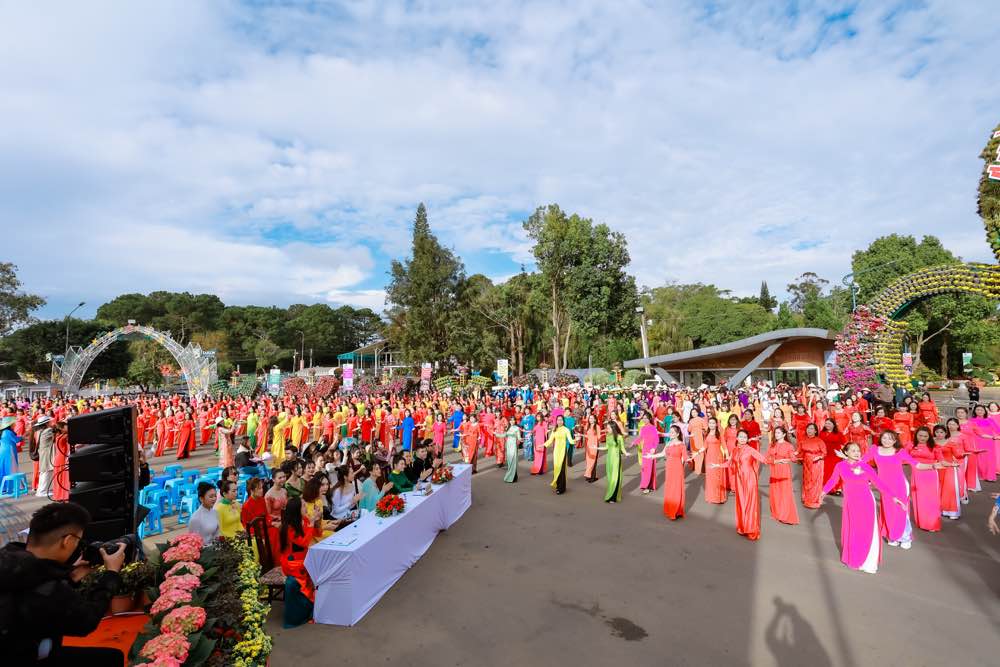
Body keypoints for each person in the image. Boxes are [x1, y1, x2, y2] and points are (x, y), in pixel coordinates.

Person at [0, 502, 126, 665]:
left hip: (16, 649)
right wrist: (111, 574)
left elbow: (31, 598)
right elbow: (85, 622)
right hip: (26, 656)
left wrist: (70, 577)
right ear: (67, 541)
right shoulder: (47, 588)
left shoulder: (9, 559)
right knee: (112, 658)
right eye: (78, 541)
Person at [821, 442, 903, 574]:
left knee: (866, 530)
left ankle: (868, 562)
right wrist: (823, 492)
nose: (857, 453)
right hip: (850, 503)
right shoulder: (840, 466)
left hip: (866, 503)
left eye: (858, 450)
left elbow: (879, 483)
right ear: (846, 452)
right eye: (853, 450)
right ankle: (855, 559)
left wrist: (893, 496)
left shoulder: (866, 467)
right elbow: (832, 480)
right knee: (854, 531)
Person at [711, 429, 769, 540]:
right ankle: (742, 527)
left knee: (750, 503)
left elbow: (763, 459)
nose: (742, 439)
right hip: (739, 479)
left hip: (749, 478)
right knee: (741, 503)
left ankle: (751, 529)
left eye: (744, 437)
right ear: (737, 438)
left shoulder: (750, 450)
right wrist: (717, 466)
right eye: (740, 436)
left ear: (747, 439)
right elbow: (729, 463)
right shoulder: (735, 450)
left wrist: (776, 460)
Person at [278, 498, 314, 628]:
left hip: (302, 557)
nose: (306, 508)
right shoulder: (288, 527)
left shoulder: (303, 520)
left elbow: (316, 533)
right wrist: (312, 524)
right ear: (296, 510)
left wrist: (314, 521)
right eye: (303, 506)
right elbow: (303, 542)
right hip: (292, 562)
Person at [646, 425, 689, 520]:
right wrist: (651, 456)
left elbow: (685, 458)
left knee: (676, 488)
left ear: (678, 434)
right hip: (669, 467)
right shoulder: (668, 443)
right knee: (670, 487)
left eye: (673, 432)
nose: (671, 434)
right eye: (670, 432)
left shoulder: (681, 444)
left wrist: (692, 457)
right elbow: (662, 453)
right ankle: (669, 508)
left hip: (677, 468)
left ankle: (676, 510)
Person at [765, 426, 799, 525]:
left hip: (784, 471)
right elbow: (766, 459)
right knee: (775, 492)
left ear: (784, 434)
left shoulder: (789, 445)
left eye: (779, 433)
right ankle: (777, 513)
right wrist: (776, 461)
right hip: (774, 471)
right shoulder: (772, 445)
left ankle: (785, 515)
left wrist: (794, 456)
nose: (776, 434)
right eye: (775, 433)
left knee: (785, 492)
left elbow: (793, 459)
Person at [597, 420, 630, 503]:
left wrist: (626, 453)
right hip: (609, 459)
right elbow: (606, 447)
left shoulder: (619, 437)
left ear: (613, 427)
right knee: (610, 477)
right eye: (607, 428)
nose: (607, 429)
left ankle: (613, 497)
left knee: (615, 477)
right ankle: (611, 493)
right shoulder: (608, 436)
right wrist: (597, 448)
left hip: (616, 459)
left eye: (608, 428)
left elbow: (622, 448)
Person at [543, 415, 575, 495]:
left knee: (562, 469)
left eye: (561, 420)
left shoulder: (566, 430)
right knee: (557, 468)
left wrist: (575, 440)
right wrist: (543, 445)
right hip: (556, 452)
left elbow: (570, 441)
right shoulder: (554, 430)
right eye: (558, 420)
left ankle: (561, 488)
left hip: (563, 451)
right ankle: (558, 485)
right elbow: (550, 440)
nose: (559, 421)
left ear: (563, 421)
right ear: (556, 421)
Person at [34, 416, 55, 498]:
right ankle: (42, 491)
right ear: (46, 423)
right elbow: (55, 435)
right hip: (46, 453)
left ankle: (41, 490)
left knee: (44, 472)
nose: (51, 422)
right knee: (46, 472)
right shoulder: (48, 430)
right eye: (49, 422)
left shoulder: (39, 431)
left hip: (43, 453)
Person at [0, 415, 21, 481]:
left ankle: (4, 485)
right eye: (13, 423)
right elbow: (16, 440)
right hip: (9, 450)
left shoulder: (2, 432)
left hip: (3, 450)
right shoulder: (8, 432)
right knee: (11, 467)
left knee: (3, 467)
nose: (14, 424)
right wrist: (23, 437)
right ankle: (11, 484)